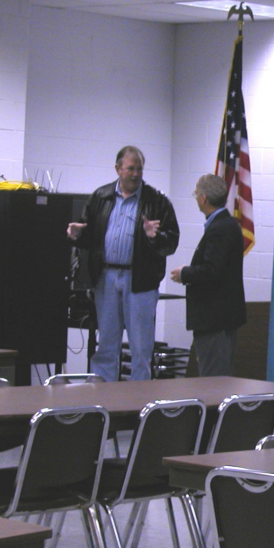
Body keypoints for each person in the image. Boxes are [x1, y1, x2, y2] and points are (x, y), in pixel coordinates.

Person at [67, 146, 179, 381]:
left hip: (140, 281)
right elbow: (91, 237)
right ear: (118, 169)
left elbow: (171, 243)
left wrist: (154, 237)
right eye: (131, 168)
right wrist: (78, 235)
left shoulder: (157, 201)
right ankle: (103, 398)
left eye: (139, 169)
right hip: (106, 278)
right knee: (107, 343)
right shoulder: (101, 197)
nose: (136, 174)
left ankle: (138, 403)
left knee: (140, 346)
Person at [170, 173, 247, 377]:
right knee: (216, 377)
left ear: (203, 198)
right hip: (219, 317)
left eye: (197, 194)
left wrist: (185, 273)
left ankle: (216, 411)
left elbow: (211, 272)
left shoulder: (221, 228)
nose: (196, 198)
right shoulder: (225, 225)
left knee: (214, 380)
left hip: (215, 318)